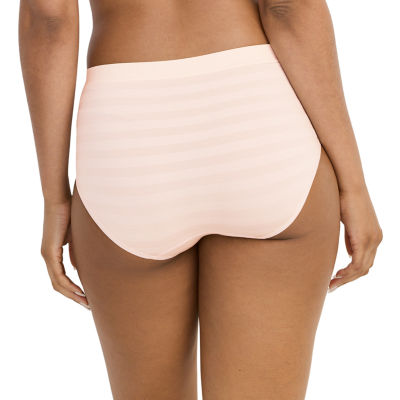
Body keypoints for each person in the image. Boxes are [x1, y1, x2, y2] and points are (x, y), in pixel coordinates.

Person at [19, 0, 382, 398]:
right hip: (259, 121)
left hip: (129, 136)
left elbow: (48, 17)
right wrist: (353, 185)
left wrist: (55, 198)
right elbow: (287, 6)